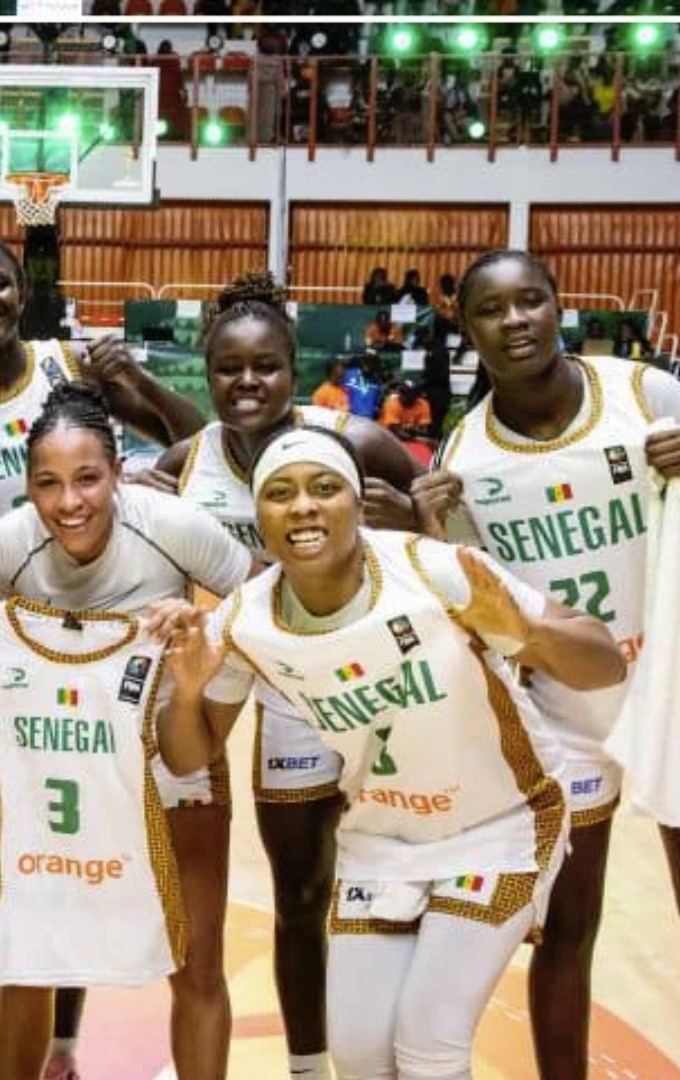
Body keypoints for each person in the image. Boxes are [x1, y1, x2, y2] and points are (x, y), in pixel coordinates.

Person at [165, 427, 625, 1079]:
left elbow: (604, 662)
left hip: (499, 824)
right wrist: (186, 696)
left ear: (358, 503)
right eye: (280, 493)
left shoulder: (433, 570)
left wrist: (527, 634)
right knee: (358, 1053)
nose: (303, 506)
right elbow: (188, 757)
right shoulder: (245, 619)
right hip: (380, 839)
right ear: (258, 515)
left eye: (325, 487)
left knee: (429, 1038)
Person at [413, 249, 680, 1080]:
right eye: (492, 309)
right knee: (565, 932)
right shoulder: (465, 456)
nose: (516, 320)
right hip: (566, 716)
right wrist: (431, 538)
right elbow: (483, 620)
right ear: (466, 328)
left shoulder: (646, 396)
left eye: (531, 300)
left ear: (558, 306)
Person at [0, 234, 205, 1080]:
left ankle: (61, 1053)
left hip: (91, 655)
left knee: (70, 859)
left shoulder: (68, 366)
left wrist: (136, 458)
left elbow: (198, 446)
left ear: (22, 290)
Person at [152, 270, 421, 1080]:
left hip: (376, 691)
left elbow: (439, 542)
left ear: (293, 367)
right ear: (206, 375)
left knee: (395, 892)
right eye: (228, 368)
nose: (247, 382)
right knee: (300, 896)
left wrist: (421, 516)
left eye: (265, 365)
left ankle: (405, 1056)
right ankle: (310, 1069)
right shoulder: (185, 462)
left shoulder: (361, 444)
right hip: (272, 692)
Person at [0, 380, 251, 1080]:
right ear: (27, 486)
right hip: (66, 770)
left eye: (87, 478)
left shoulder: (173, 526)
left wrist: (203, 626)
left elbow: (258, 601)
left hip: (171, 754)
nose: (69, 502)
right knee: (29, 957)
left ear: (118, 472)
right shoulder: (8, 547)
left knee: (197, 962)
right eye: (48, 483)